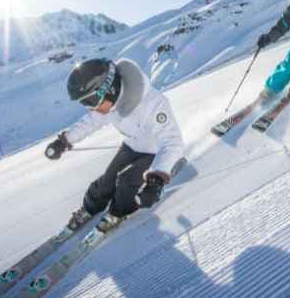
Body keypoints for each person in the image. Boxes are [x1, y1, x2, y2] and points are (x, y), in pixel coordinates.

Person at [44, 57, 185, 235]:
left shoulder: (153, 103)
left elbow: (173, 142)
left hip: (154, 152)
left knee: (127, 183)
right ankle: (90, 208)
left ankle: (118, 212)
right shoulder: (109, 104)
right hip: (131, 145)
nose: (90, 108)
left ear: (109, 89)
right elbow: (90, 122)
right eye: (85, 103)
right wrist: (65, 141)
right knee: (107, 179)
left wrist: (157, 178)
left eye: (91, 100)